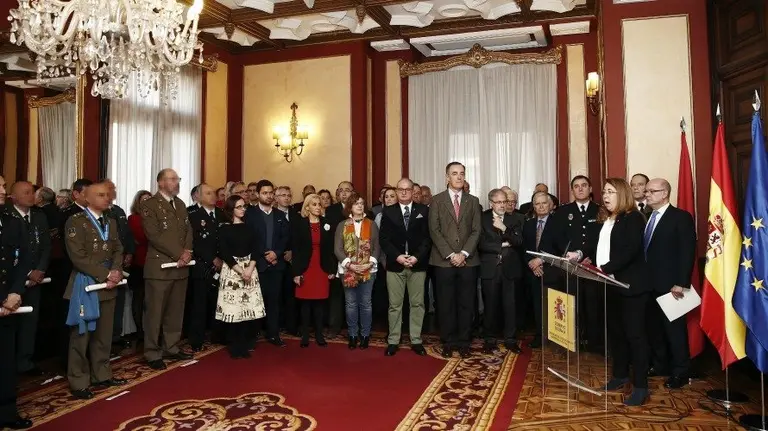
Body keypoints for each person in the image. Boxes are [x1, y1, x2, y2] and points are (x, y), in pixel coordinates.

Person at [589, 178, 650, 406]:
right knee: (617, 334)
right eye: (604, 192)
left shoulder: (633, 218)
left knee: (635, 336)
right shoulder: (608, 219)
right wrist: (584, 258)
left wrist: (604, 268)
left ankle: (641, 387)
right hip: (611, 284)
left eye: (610, 192)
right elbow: (600, 248)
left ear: (622, 194)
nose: (605, 196)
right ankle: (620, 375)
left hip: (631, 286)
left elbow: (630, 250)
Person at [63, 182, 127, 399]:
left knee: (104, 335)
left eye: (108, 195)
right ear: (87, 199)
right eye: (100, 195)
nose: (107, 198)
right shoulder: (76, 221)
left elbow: (118, 248)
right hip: (86, 285)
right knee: (81, 337)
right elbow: (77, 256)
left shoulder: (111, 221)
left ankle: (102, 374)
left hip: (108, 285)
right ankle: (79, 381)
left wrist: (116, 271)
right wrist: (106, 274)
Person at [644, 178, 696, 388]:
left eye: (651, 191)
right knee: (655, 329)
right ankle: (660, 366)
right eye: (646, 191)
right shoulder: (648, 217)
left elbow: (687, 251)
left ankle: (681, 372)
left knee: (675, 331)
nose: (647, 194)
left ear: (664, 193)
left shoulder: (680, 217)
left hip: (671, 286)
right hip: (648, 284)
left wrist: (681, 282)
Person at [141, 169, 194, 370]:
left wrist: (187, 251)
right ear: (160, 182)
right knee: (155, 313)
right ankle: (152, 352)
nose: (176, 182)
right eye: (172, 179)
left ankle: (171, 347)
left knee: (175, 311)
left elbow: (188, 230)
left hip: (181, 267)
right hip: (160, 268)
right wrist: (179, 254)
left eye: (177, 179)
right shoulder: (150, 205)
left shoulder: (179, 204)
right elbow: (154, 235)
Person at [429, 162, 482, 358]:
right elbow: (434, 230)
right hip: (444, 261)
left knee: (466, 303)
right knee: (446, 303)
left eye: (462, 173)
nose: (459, 177)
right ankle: (449, 341)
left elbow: (476, 230)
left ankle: (464, 342)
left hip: (468, 261)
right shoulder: (436, 200)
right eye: (454, 173)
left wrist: (464, 253)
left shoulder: (473, 201)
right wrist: (451, 255)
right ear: (447, 177)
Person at [379, 179, 431, 356]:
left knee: (417, 304)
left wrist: (416, 257)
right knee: (395, 305)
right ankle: (393, 340)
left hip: (418, 264)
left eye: (407, 189)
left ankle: (416, 340)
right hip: (396, 264)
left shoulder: (423, 210)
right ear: (396, 191)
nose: (403, 192)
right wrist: (398, 257)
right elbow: (384, 239)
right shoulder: (388, 211)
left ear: (412, 191)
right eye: (400, 189)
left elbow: (427, 238)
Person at [0, 174, 33, 430]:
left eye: (3, 186)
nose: (3, 190)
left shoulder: (12, 221)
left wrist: (15, 292)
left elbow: (24, 260)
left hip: (9, 303)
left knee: (6, 362)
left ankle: (7, 413)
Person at [216, 195, 266, 358]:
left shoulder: (250, 228)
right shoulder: (224, 229)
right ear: (231, 210)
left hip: (250, 269)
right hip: (232, 271)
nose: (243, 209)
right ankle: (235, 345)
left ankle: (246, 343)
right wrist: (240, 270)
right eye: (239, 207)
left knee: (247, 308)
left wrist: (249, 269)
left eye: (244, 206)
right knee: (234, 309)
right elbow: (224, 253)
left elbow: (257, 249)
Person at [478, 189, 524, 353]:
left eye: (504, 201)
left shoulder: (515, 218)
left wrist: (504, 228)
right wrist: (502, 245)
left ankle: (510, 339)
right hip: (490, 268)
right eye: (498, 202)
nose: (503, 205)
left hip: (510, 268)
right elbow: (480, 243)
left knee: (510, 306)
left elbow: (518, 241)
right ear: (491, 203)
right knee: (490, 305)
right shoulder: (482, 218)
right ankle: (490, 339)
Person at [246, 180, 290, 347]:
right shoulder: (250, 214)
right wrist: (265, 254)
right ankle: (252, 336)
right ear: (258, 194)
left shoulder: (280, 215)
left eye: (271, 192)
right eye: (265, 193)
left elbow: (285, 237)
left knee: (274, 302)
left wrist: (276, 253)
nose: (269, 196)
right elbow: (250, 238)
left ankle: (273, 334)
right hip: (257, 264)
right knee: (255, 301)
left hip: (276, 265)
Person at [334, 192, 381, 350]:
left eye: (361, 203)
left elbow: (377, 248)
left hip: (368, 270)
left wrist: (369, 263)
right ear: (350, 207)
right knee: (351, 304)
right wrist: (350, 265)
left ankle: (365, 334)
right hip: (348, 270)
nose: (360, 206)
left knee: (366, 303)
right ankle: (353, 335)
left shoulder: (371, 224)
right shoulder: (342, 225)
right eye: (356, 203)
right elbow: (338, 249)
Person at [292, 194, 336, 347]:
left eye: (319, 204)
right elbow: (296, 251)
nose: (318, 207)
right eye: (314, 204)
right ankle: (305, 334)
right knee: (305, 303)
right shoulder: (300, 224)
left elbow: (331, 249)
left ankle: (319, 334)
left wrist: (332, 269)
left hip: (322, 266)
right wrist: (296, 273)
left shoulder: (326, 223)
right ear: (307, 207)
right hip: (306, 267)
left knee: (320, 303)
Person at [188, 183, 226, 351]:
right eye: (208, 193)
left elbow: (226, 239)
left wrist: (222, 259)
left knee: (218, 303)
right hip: (202, 266)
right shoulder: (193, 215)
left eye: (213, 193)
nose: (213, 196)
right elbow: (194, 242)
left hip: (222, 265)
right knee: (199, 305)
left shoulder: (222, 214)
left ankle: (218, 335)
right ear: (198, 196)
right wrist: (212, 259)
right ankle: (197, 340)